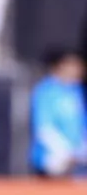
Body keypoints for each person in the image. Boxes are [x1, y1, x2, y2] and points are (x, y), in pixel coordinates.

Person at [28, 48, 87, 178]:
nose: (79, 70)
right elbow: (43, 128)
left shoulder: (78, 91)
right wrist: (66, 152)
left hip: (78, 162)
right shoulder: (45, 91)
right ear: (60, 66)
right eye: (73, 65)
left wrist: (81, 151)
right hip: (53, 161)